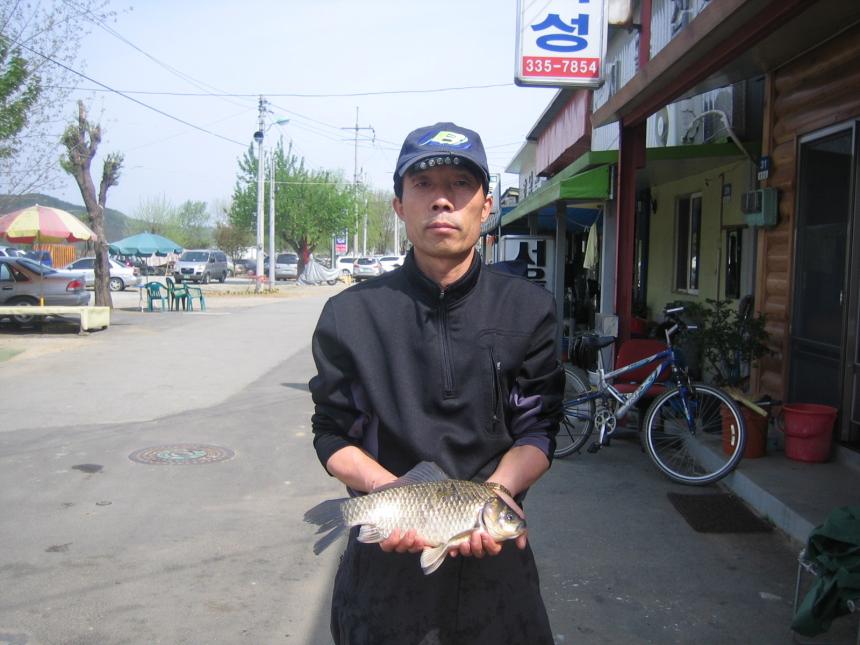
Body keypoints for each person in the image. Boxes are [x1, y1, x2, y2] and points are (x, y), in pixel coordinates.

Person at [308, 122, 565, 644]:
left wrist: (497, 493)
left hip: (498, 575)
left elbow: (538, 430)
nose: (442, 200)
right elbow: (332, 433)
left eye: (460, 184)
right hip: (382, 577)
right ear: (399, 206)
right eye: (423, 184)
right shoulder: (349, 315)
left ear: (486, 206)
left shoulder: (529, 309)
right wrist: (392, 497)